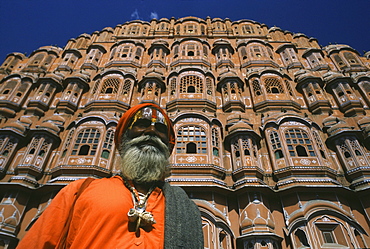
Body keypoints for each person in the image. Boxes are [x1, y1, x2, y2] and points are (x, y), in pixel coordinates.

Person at [17, 103, 204, 249]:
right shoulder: (80, 191)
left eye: (160, 129)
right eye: (142, 124)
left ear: (169, 145)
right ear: (123, 137)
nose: (151, 131)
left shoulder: (183, 205)